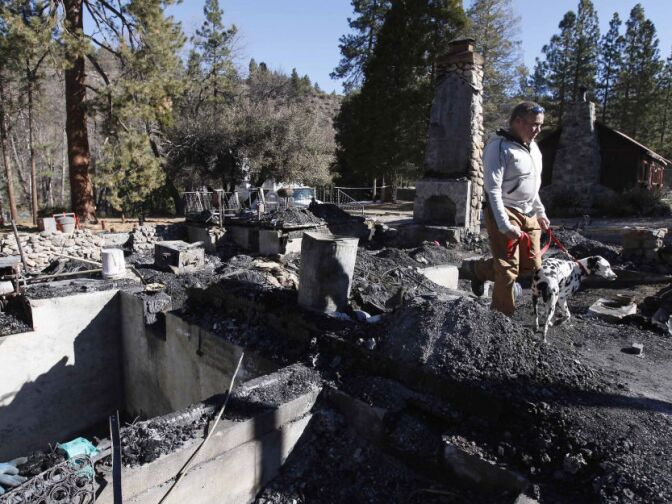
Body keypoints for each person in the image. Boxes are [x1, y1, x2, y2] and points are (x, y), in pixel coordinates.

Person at [469, 101, 550, 316]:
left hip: (529, 212)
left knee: (532, 265)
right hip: (504, 210)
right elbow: (492, 190)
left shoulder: (534, 149)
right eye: (533, 125)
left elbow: (533, 186)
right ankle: (501, 320)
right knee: (507, 269)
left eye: (540, 125)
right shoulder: (498, 147)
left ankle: (479, 270)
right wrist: (504, 224)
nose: (537, 130)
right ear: (517, 122)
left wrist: (540, 211)